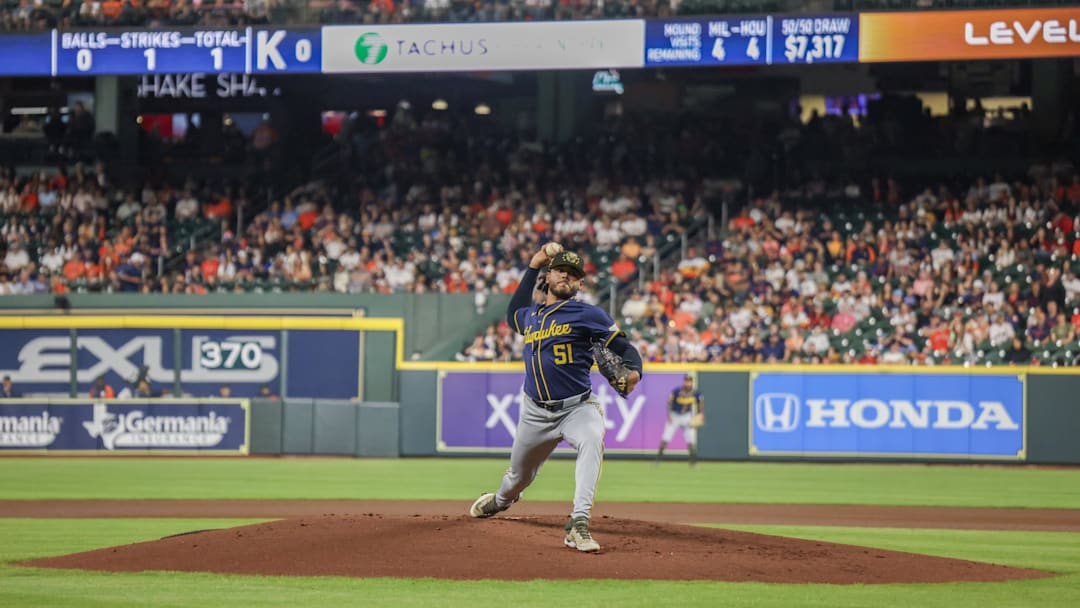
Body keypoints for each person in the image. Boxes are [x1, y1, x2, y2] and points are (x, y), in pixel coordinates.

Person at [469, 245, 643, 553]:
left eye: (574, 274)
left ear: (580, 284)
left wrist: (635, 371)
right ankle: (501, 500)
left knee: (592, 440)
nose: (566, 276)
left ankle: (579, 522)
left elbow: (624, 348)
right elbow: (512, 315)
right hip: (535, 412)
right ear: (549, 277)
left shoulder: (589, 314)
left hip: (577, 407)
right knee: (517, 478)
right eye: (561, 270)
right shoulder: (532, 315)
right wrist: (533, 265)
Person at [656, 374, 705, 466]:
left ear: (692, 382)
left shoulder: (696, 393)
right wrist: (669, 415)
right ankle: (657, 460)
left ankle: (692, 462)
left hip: (686, 417)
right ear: (684, 382)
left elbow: (700, 403)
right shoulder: (676, 391)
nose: (688, 383)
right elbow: (669, 402)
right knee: (666, 437)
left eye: (689, 381)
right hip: (675, 416)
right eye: (686, 381)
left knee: (691, 440)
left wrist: (701, 414)